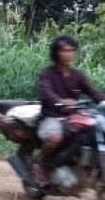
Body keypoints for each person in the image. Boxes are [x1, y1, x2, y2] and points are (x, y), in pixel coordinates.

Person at [36, 34, 105, 186]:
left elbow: (93, 92)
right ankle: (42, 166)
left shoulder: (78, 75)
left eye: (72, 50)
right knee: (56, 137)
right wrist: (61, 101)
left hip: (73, 117)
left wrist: (103, 100)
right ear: (56, 52)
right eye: (64, 50)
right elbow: (47, 93)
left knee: (92, 133)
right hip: (52, 117)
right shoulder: (46, 74)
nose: (68, 53)